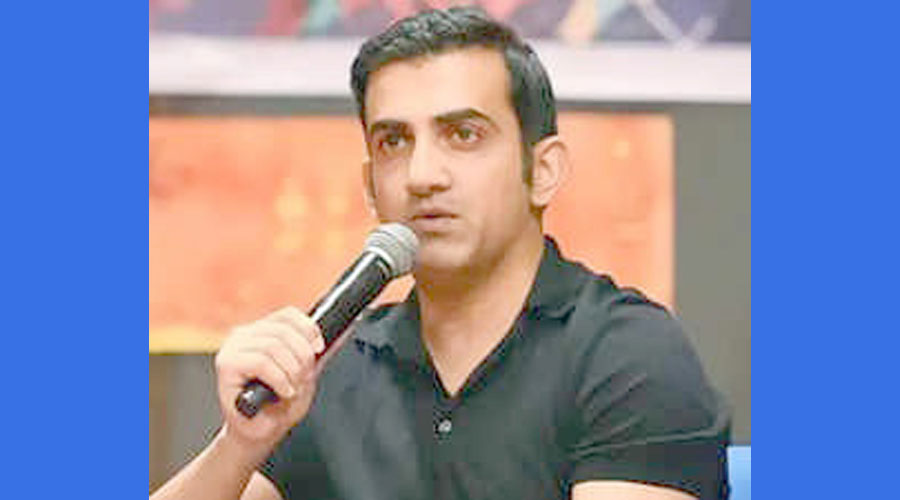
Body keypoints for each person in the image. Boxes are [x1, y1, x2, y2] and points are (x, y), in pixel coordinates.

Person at [150, 7, 730, 500]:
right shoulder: (337, 370)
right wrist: (240, 446)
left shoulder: (626, 354)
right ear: (370, 187)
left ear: (542, 171)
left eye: (463, 135)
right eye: (394, 141)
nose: (422, 175)